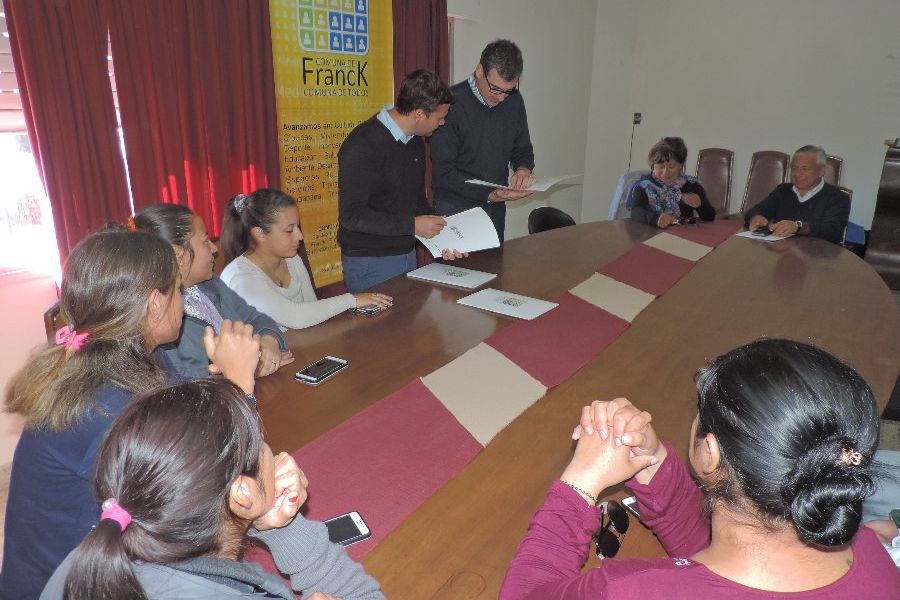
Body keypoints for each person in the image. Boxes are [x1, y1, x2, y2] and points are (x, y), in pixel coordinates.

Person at [501, 338, 898, 598]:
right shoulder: (864, 549)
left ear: (710, 453)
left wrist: (579, 485)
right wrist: (653, 464)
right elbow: (718, 559)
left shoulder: (632, 590)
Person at [0, 229, 260, 600]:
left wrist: (219, 385)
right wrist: (238, 388)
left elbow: (178, 412)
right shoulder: (104, 402)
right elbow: (202, 485)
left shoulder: (120, 359)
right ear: (154, 303)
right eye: (178, 290)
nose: (184, 301)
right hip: (73, 587)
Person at [41, 378, 385, 599]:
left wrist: (262, 515)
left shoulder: (83, 564)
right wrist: (283, 524)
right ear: (241, 493)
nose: (273, 452)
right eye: (262, 443)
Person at [338, 68, 462, 293]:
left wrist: (443, 236)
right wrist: (413, 225)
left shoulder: (414, 140)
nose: (442, 123)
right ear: (419, 114)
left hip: (405, 253)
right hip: (370, 261)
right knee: (382, 329)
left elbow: (416, 200)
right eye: (440, 118)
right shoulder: (362, 145)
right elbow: (351, 216)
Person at [134, 203, 294, 377]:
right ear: (178, 255)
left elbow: (256, 318)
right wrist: (242, 369)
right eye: (204, 241)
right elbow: (181, 382)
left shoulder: (211, 284)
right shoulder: (163, 319)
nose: (214, 248)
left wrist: (268, 342)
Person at [219, 189, 393, 330]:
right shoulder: (240, 277)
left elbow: (313, 309)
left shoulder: (291, 259)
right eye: (289, 230)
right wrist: (351, 300)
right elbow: (295, 317)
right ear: (260, 234)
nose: (300, 236)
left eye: (298, 227)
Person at [431, 39, 536, 243]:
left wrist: (523, 169)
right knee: (457, 274)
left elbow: (522, 147)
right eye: (496, 89)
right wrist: (489, 194)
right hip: (456, 212)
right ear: (479, 71)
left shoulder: (514, 100)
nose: (502, 98)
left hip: (494, 212)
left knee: (494, 273)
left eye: (509, 90)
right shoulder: (449, 104)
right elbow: (443, 173)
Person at [745, 145, 850, 244]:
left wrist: (798, 227)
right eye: (794, 168)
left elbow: (833, 231)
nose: (797, 174)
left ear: (821, 172)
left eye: (805, 169)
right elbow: (759, 209)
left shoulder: (838, 197)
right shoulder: (783, 190)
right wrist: (756, 217)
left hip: (817, 257)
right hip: (781, 254)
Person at [629, 137, 715, 228]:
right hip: (650, 235)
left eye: (671, 166)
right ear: (653, 165)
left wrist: (700, 205)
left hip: (683, 236)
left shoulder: (692, 185)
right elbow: (635, 211)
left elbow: (710, 217)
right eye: (661, 166)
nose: (665, 172)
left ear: (680, 166)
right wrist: (656, 219)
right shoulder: (645, 185)